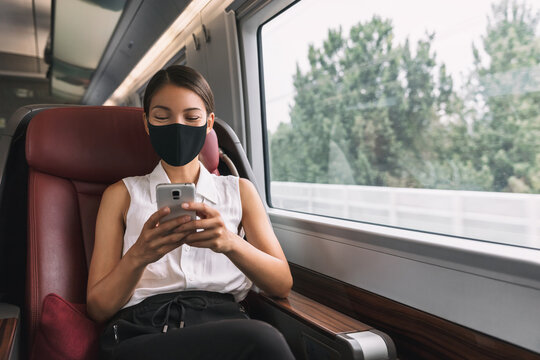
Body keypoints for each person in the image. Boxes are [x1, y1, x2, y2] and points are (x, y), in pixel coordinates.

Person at [86, 65, 295, 359]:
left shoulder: (240, 191)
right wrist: (140, 255)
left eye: (192, 117)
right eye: (162, 117)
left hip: (224, 326)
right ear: (147, 123)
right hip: (143, 332)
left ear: (209, 123)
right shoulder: (120, 195)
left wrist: (230, 243)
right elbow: (98, 308)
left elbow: (281, 284)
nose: (177, 126)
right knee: (262, 340)